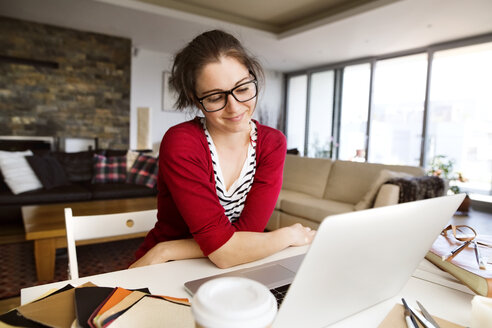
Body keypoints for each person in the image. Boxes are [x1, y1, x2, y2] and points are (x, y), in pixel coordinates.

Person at [130, 30, 315, 269]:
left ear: (252, 77)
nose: (234, 107)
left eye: (243, 89)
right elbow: (224, 252)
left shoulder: (272, 144)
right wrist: (286, 235)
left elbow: (246, 236)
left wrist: (169, 249)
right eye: (216, 97)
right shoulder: (182, 143)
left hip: (221, 264)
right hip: (164, 267)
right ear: (196, 99)